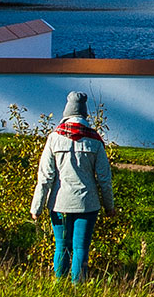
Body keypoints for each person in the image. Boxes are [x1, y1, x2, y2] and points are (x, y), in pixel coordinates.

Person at [30, 91, 116, 283]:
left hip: (59, 203)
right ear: (85, 114)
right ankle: (78, 288)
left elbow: (45, 176)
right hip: (87, 204)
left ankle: (59, 285)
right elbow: (104, 178)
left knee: (61, 246)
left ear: (66, 113)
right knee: (80, 249)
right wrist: (109, 206)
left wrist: (37, 206)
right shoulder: (94, 140)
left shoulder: (54, 138)